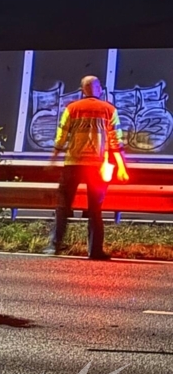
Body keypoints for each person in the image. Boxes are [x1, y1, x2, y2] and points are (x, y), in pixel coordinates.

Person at [45, 75, 128, 260]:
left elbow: (61, 135)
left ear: (83, 90)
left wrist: (53, 158)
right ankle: (95, 250)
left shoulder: (72, 109)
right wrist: (122, 165)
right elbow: (116, 140)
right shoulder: (109, 110)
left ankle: (54, 246)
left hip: (73, 164)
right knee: (95, 208)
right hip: (97, 167)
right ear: (99, 89)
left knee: (63, 205)